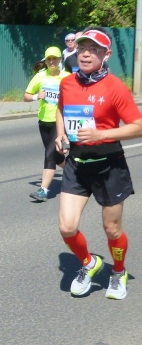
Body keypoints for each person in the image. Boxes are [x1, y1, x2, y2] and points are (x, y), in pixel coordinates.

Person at [55, 27, 142, 300]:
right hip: (77, 164)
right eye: (82, 48)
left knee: (112, 229)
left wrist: (101, 135)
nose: (86, 54)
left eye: (93, 49)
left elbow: (138, 126)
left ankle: (118, 271)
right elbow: (61, 109)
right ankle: (89, 263)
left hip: (109, 166)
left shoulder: (115, 87)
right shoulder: (67, 83)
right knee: (67, 227)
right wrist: (60, 133)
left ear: (107, 54)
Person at [23, 46, 70, 202]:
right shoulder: (40, 76)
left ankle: (43, 190)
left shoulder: (67, 77)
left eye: (54, 58)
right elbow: (26, 96)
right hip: (44, 121)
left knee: (49, 154)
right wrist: (37, 96)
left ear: (60, 60)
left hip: (60, 121)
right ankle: (74, 170)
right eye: (49, 59)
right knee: (56, 156)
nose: (52, 61)